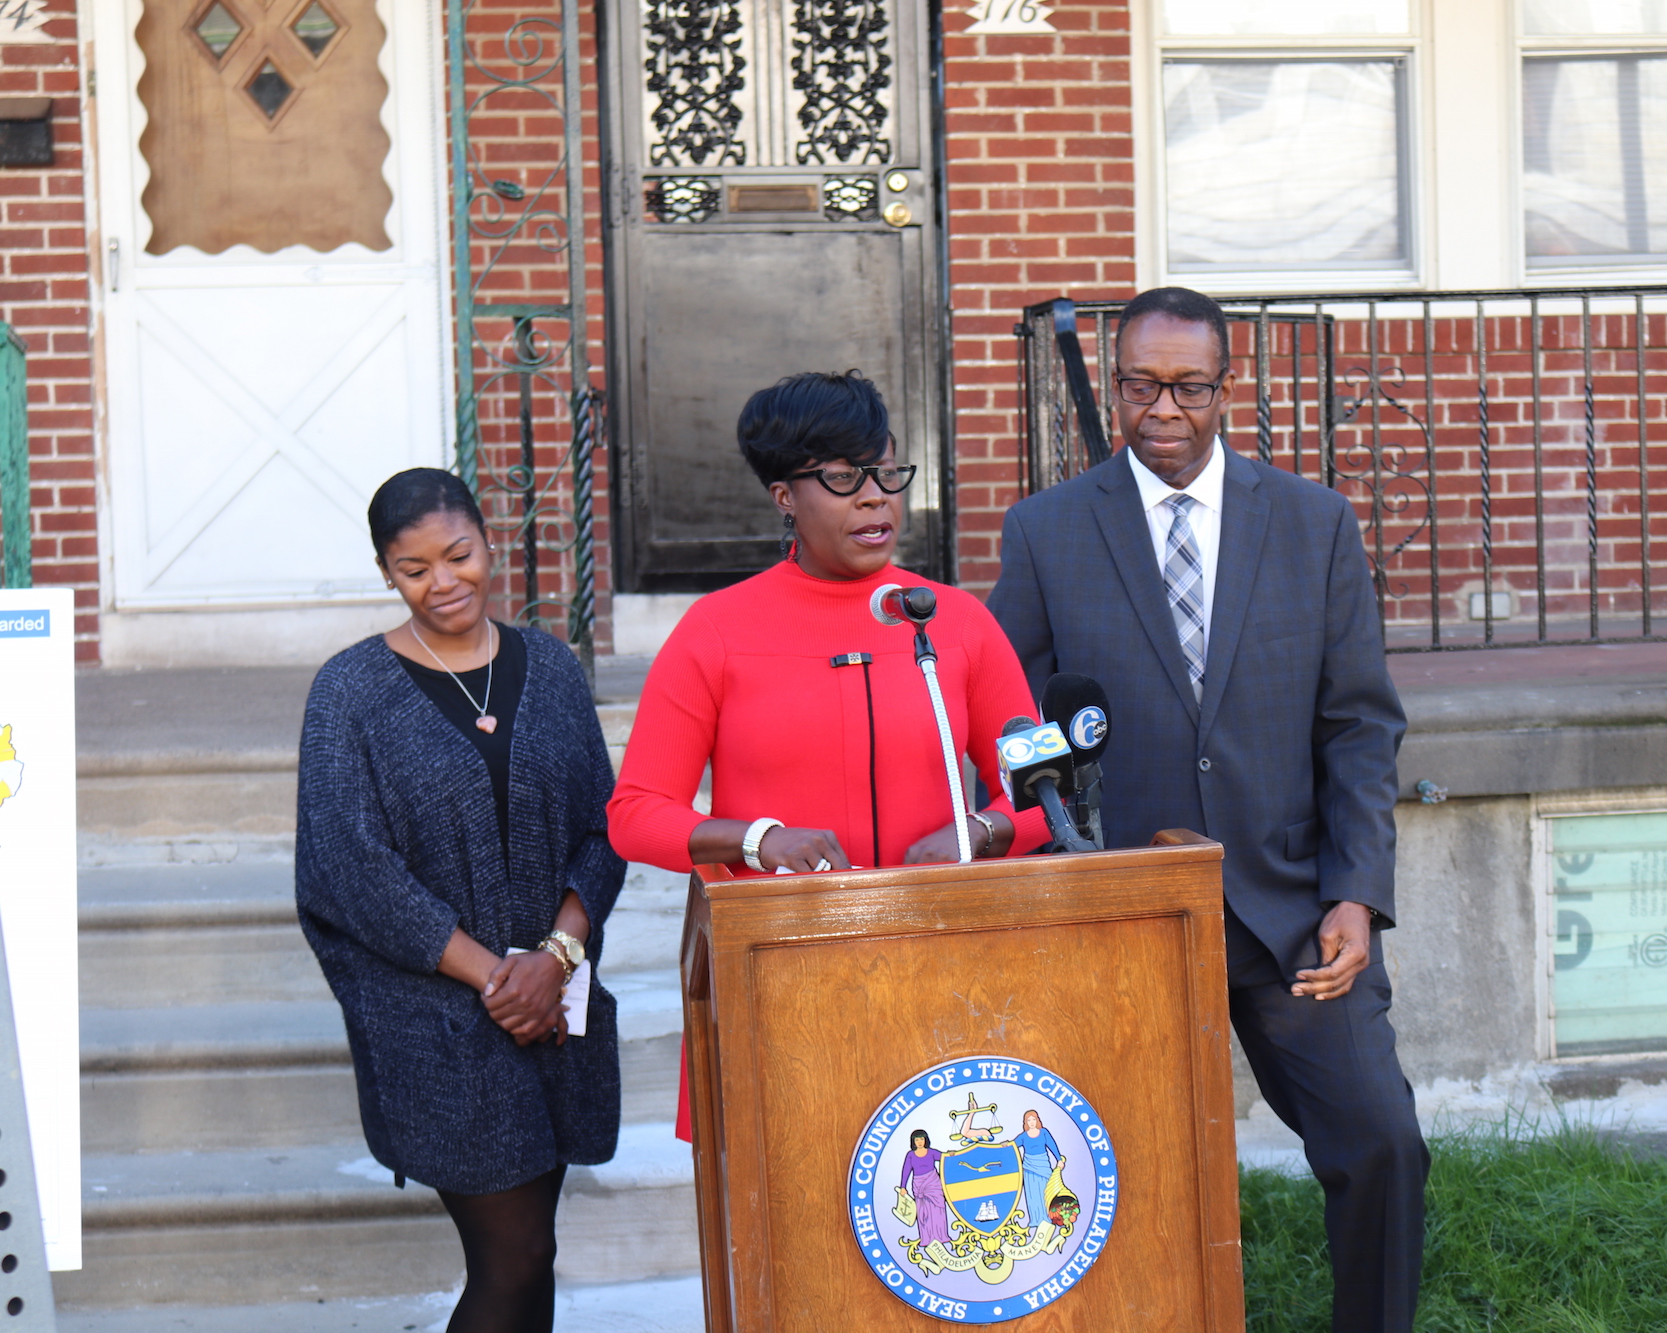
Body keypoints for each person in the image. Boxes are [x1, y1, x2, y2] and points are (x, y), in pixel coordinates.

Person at [987, 287, 1427, 1332]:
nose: (1159, 410)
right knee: (1122, 1178)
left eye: (1187, 386)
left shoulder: (1312, 523)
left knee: (1380, 1144)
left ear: (1228, 389)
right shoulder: (1048, 531)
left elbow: (1357, 727)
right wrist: (1071, 839)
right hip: (1124, 912)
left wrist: (1355, 896)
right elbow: (1012, 733)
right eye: (1137, 384)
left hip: (1289, 916)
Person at [605, 370, 1051, 1140]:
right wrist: (757, 839)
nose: (877, 497)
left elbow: (1049, 793)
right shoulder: (714, 631)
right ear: (785, 495)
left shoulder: (959, 622)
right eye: (844, 479)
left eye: (887, 473)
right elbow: (637, 813)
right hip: (781, 973)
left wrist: (981, 830)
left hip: (945, 961)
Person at [295, 468, 625, 1333]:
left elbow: (603, 826)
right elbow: (349, 867)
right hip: (435, 1020)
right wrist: (496, 979)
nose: (443, 582)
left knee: (535, 1253)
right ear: (386, 573)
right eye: (413, 568)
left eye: (458, 554)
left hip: (553, 1004)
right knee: (510, 1256)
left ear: (489, 541)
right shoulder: (351, 692)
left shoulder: (550, 666)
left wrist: (553, 960)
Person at [898, 1129, 950, 1246]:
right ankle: (926, 1238)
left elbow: (945, 1158)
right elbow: (906, 1170)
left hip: (933, 1183)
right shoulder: (910, 1155)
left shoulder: (931, 1152)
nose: (919, 1142)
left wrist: (951, 1154)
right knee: (923, 1213)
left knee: (937, 1210)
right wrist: (903, 1186)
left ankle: (941, 1236)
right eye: (917, 1140)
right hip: (919, 1185)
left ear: (925, 1140)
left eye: (921, 1139)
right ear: (913, 1142)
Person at [1013, 1110, 1062, 1229]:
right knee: (1033, 1194)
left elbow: (1052, 1145)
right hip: (1029, 1168)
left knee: (1047, 1191)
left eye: (1033, 1119)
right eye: (1028, 1120)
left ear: (1037, 1120)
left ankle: (1049, 1217)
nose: (1031, 1122)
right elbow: (1013, 1145)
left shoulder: (1044, 1132)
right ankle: (1036, 1219)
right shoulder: (1023, 1136)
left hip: (1043, 1165)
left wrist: (1059, 1159)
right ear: (1025, 1122)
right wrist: (1004, 1145)